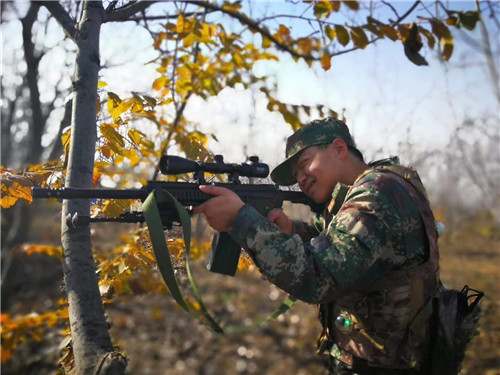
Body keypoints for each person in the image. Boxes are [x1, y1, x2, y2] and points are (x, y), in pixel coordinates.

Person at [193, 117, 440, 374]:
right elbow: (334, 238)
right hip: (371, 359)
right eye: (296, 175)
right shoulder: (354, 194)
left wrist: (242, 221)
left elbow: (320, 277)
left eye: (304, 163)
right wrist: (291, 231)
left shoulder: (377, 192)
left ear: (339, 149)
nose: (300, 178)